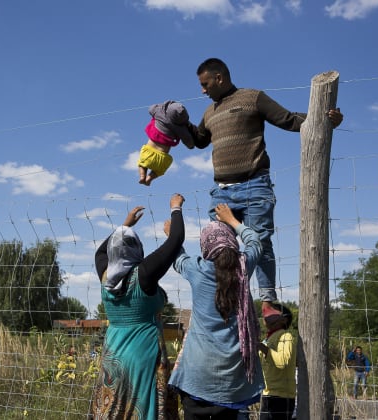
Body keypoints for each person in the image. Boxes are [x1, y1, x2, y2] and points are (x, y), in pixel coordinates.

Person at [185, 57, 344, 311]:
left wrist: (324, 119)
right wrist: (178, 123)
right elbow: (199, 140)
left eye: (205, 84)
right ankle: (226, 297)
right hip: (221, 192)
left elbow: (288, 119)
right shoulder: (209, 112)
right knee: (218, 243)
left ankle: (268, 302)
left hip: (254, 184)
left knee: (259, 242)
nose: (202, 90)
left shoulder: (252, 97)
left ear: (219, 78)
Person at [90, 193, 185, 419]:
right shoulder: (143, 274)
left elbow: (101, 252)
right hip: (144, 353)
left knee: (114, 407)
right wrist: (175, 208)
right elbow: (175, 241)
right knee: (143, 408)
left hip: (113, 353)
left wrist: (124, 226)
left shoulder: (105, 277)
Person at [167, 203, 264, 420]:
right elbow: (255, 242)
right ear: (231, 243)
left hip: (196, 376)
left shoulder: (197, 269)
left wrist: (171, 234)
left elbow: (178, 256)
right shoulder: (243, 267)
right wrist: (232, 221)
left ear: (205, 247)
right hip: (231, 381)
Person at [138, 100, 194, 186]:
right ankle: (149, 178)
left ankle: (142, 176)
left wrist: (161, 106)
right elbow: (188, 140)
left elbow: (151, 108)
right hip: (162, 158)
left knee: (142, 164)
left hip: (148, 151)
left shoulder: (159, 113)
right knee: (158, 171)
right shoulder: (180, 128)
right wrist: (191, 145)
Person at [257, 303, 297, 420]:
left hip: (282, 397)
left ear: (283, 319)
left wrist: (263, 348)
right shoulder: (268, 338)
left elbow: (282, 362)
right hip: (267, 394)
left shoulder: (286, 336)